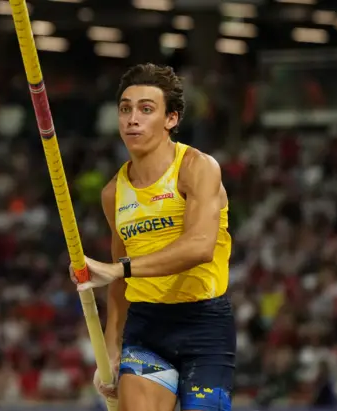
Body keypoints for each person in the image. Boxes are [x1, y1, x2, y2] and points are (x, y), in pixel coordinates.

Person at [70, 63, 234, 411]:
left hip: (203, 324)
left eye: (146, 109)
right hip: (146, 327)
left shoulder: (196, 168)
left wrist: (119, 269)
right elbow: (118, 284)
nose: (133, 119)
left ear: (171, 119)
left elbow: (200, 247)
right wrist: (112, 349)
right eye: (126, 109)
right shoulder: (114, 192)